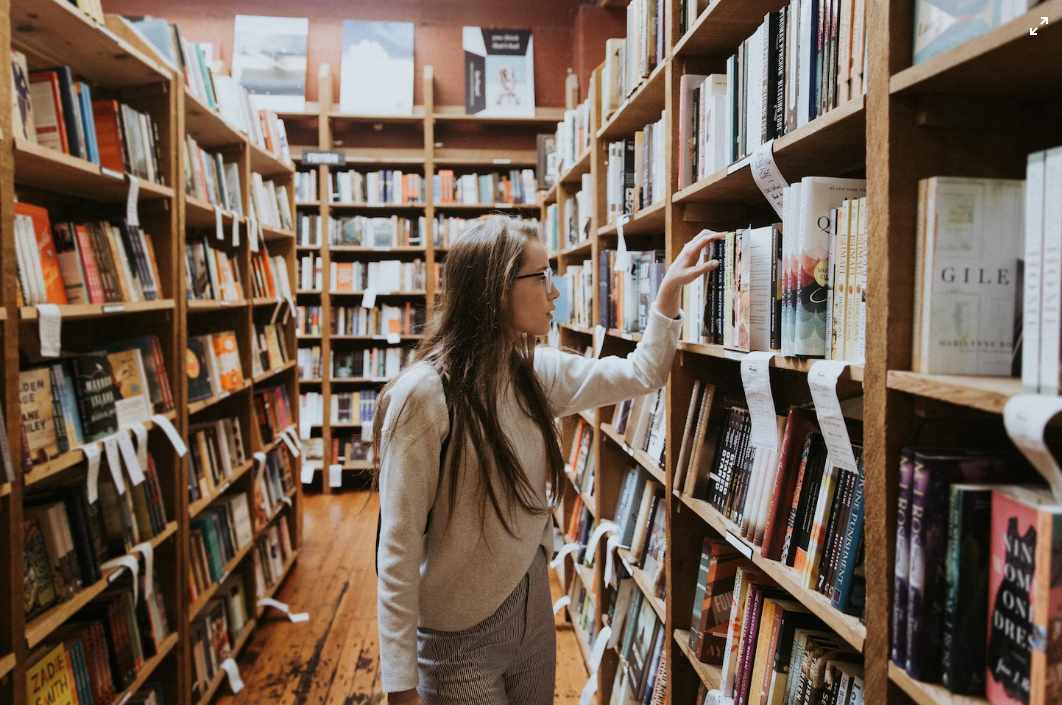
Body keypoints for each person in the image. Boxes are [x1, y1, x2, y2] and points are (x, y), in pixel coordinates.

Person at [374, 216, 722, 705]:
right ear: (497, 291)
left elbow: (642, 373)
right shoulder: (423, 397)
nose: (555, 290)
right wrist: (399, 684)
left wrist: (664, 297)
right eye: (540, 277)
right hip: (456, 636)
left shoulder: (536, 371)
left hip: (532, 609)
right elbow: (398, 545)